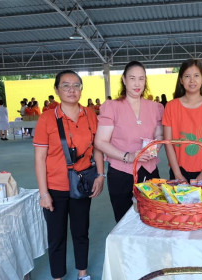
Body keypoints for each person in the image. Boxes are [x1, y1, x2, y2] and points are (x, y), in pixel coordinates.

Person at [34, 70, 104, 280]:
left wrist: (101, 175)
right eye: (66, 85)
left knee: (81, 231)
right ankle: (58, 277)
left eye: (76, 85)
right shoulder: (47, 118)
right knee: (56, 237)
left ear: (81, 89)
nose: (71, 90)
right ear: (56, 90)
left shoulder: (90, 114)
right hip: (54, 187)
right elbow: (39, 158)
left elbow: (98, 148)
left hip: (82, 183)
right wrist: (43, 193)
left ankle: (82, 273)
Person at [94, 61, 164, 223]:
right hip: (121, 173)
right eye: (132, 78)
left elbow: (159, 135)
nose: (137, 83)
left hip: (149, 170)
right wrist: (129, 156)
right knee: (124, 221)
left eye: (141, 78)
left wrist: (152, 149)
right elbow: (101, 142)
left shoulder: (155, 107)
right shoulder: (112, 106)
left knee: (153, 218)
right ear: (124, 80)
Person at [162, 58, 202, 189]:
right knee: (179, 209)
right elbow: (168, 143)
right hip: (178, 170)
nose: (192, 80)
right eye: (187, 76)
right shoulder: (171, 106)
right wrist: (177, 174)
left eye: (196, 76)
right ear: (181, 80)